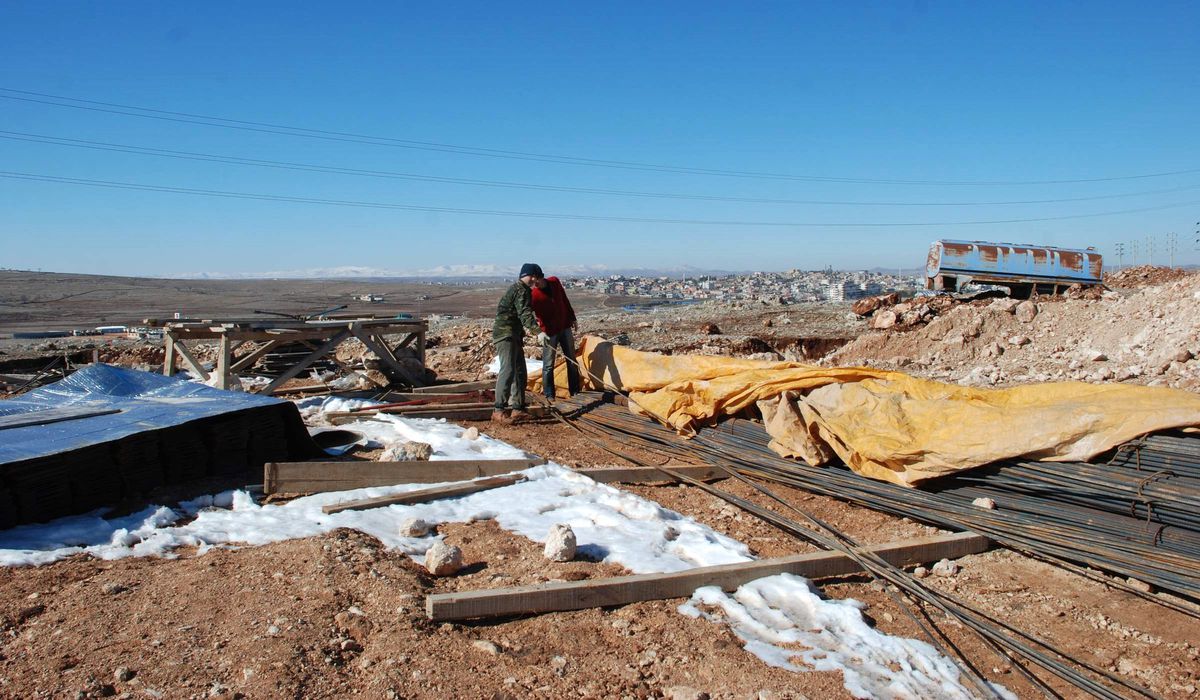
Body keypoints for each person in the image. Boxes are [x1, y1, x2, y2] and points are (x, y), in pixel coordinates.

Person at [492, 263, 547, 423]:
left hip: (514, 335)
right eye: (535, 278)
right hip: (505, 334)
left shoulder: (523, 289)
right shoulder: (520, 290)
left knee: (520, 371)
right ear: (532, 276)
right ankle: (498, 409)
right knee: (508, 370)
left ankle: (517, 409)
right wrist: (538, 332)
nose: (536, 281)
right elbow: (524, 313)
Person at [529, 269, 581, 399]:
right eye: (533, 281)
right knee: (548, 365)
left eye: (536, 280)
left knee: (571, 360)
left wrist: (572, 318)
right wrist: (537, 331)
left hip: (565, 326)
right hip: (549, 332)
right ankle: (549, 395)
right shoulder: (533, 294)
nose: (535, 283)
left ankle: (575, 391)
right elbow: (527, 314)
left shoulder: (554, 282)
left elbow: (564, 299)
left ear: (541, 277)